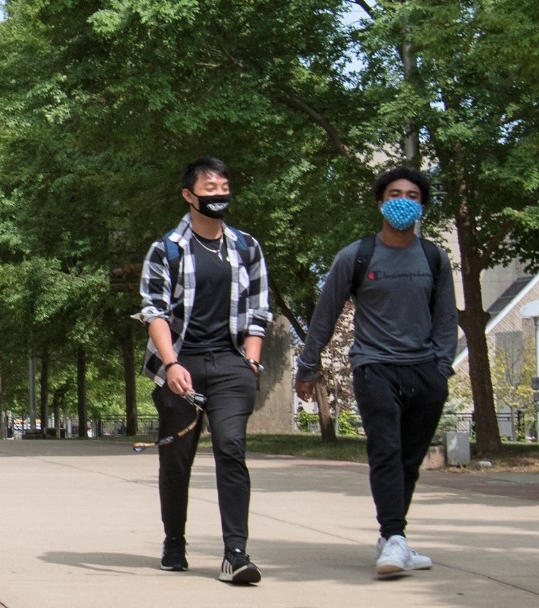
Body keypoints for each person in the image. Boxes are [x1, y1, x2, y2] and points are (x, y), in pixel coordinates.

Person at [295, 166, 458, 576]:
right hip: (374, 367)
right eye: (394, 193)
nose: (403, 200)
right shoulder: (357, 256)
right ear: (380, 202)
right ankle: (395, 536)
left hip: (425, 372)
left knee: (409, 461)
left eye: (412, 195)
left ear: (422, 205)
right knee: (385, 451)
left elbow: (444, 320)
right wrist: (307, 366)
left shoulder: (434, 258)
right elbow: (325, 314)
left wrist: (441, 368)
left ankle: (392, 540)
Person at [132, 156, 271, 584]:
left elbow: (259, 311)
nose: (219, 194)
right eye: (209, 188)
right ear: (188, 195)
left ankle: (236, 554)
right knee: (177, 459)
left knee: (232, 449)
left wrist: (250, 360)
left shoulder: (246, 247)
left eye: (224, 187)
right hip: (181, 363)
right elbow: (153, 310)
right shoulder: (167, 249)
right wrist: (171, 363)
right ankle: (175, 541)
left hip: (231, 365)